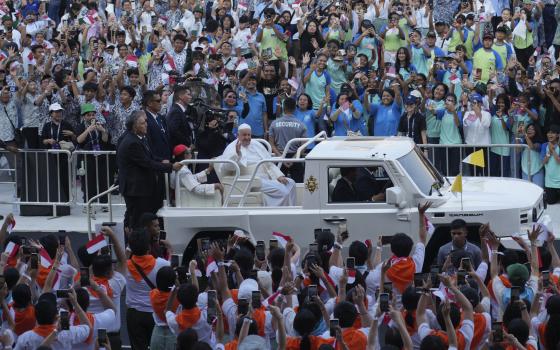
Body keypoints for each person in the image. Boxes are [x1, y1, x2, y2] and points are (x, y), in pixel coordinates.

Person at [116, 111, 182, 230]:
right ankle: (132, 244)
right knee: (135, 220)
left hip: (140, 188)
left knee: (134, 218)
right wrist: (170, 167)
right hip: (135, 189)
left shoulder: (139, 138)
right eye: (143, 123)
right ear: (135, 126)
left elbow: (149, 156)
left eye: (146, 121)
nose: (146, 124)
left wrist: (162, 161)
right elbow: (147, 163)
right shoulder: (132, 142)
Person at [219, 123, 296, 206]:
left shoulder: (257, 144)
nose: (247, 137)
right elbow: (227, 167)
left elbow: (268, 163)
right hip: (250, 180)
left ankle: (290, 209)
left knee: (291, 183)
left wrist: (278, 176)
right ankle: (278, 214)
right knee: (283, 191)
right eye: (244, 135)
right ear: (238, 135)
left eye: (249, 135)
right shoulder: (232, 147)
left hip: (266, 177)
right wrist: (236, 154)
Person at [125, 229, 171, 350]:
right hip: (155, 313)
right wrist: (170, 250)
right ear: (149, 247)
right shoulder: (161, 264)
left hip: (134, 314)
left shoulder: (126, 266)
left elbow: (121, 260)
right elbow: (171, 274)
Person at [268, 97, 307, 182]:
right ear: (295, 108)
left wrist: (281, 158)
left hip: (279, 158)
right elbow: (303, 146)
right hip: (295, 159)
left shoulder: (274, 124)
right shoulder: (301, 125)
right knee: (298, 187)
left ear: (283, 107)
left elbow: (271, 144)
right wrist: (292, 159)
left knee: (279, 188)